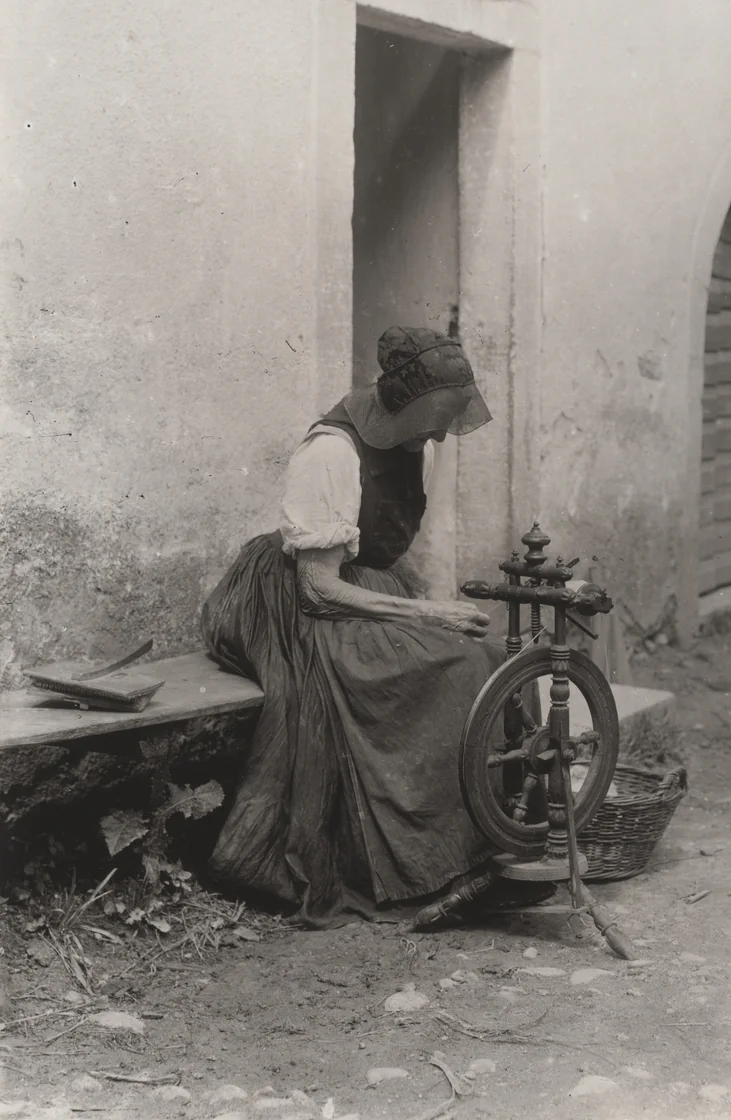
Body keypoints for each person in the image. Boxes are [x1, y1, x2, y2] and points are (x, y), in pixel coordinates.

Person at [201, 326, 545, 928]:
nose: (440, 431)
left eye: (447, 417)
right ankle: (421, 867)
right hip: (294, 598)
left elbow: (385, 547)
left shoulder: (423, 448)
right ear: (401, 405)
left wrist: (422, 607)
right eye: (433, 417)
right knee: (429, 672)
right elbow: (317, 586)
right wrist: (428, 613)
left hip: (360, 586)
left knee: (489, 661)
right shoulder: (331, 451)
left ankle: (492, 842)